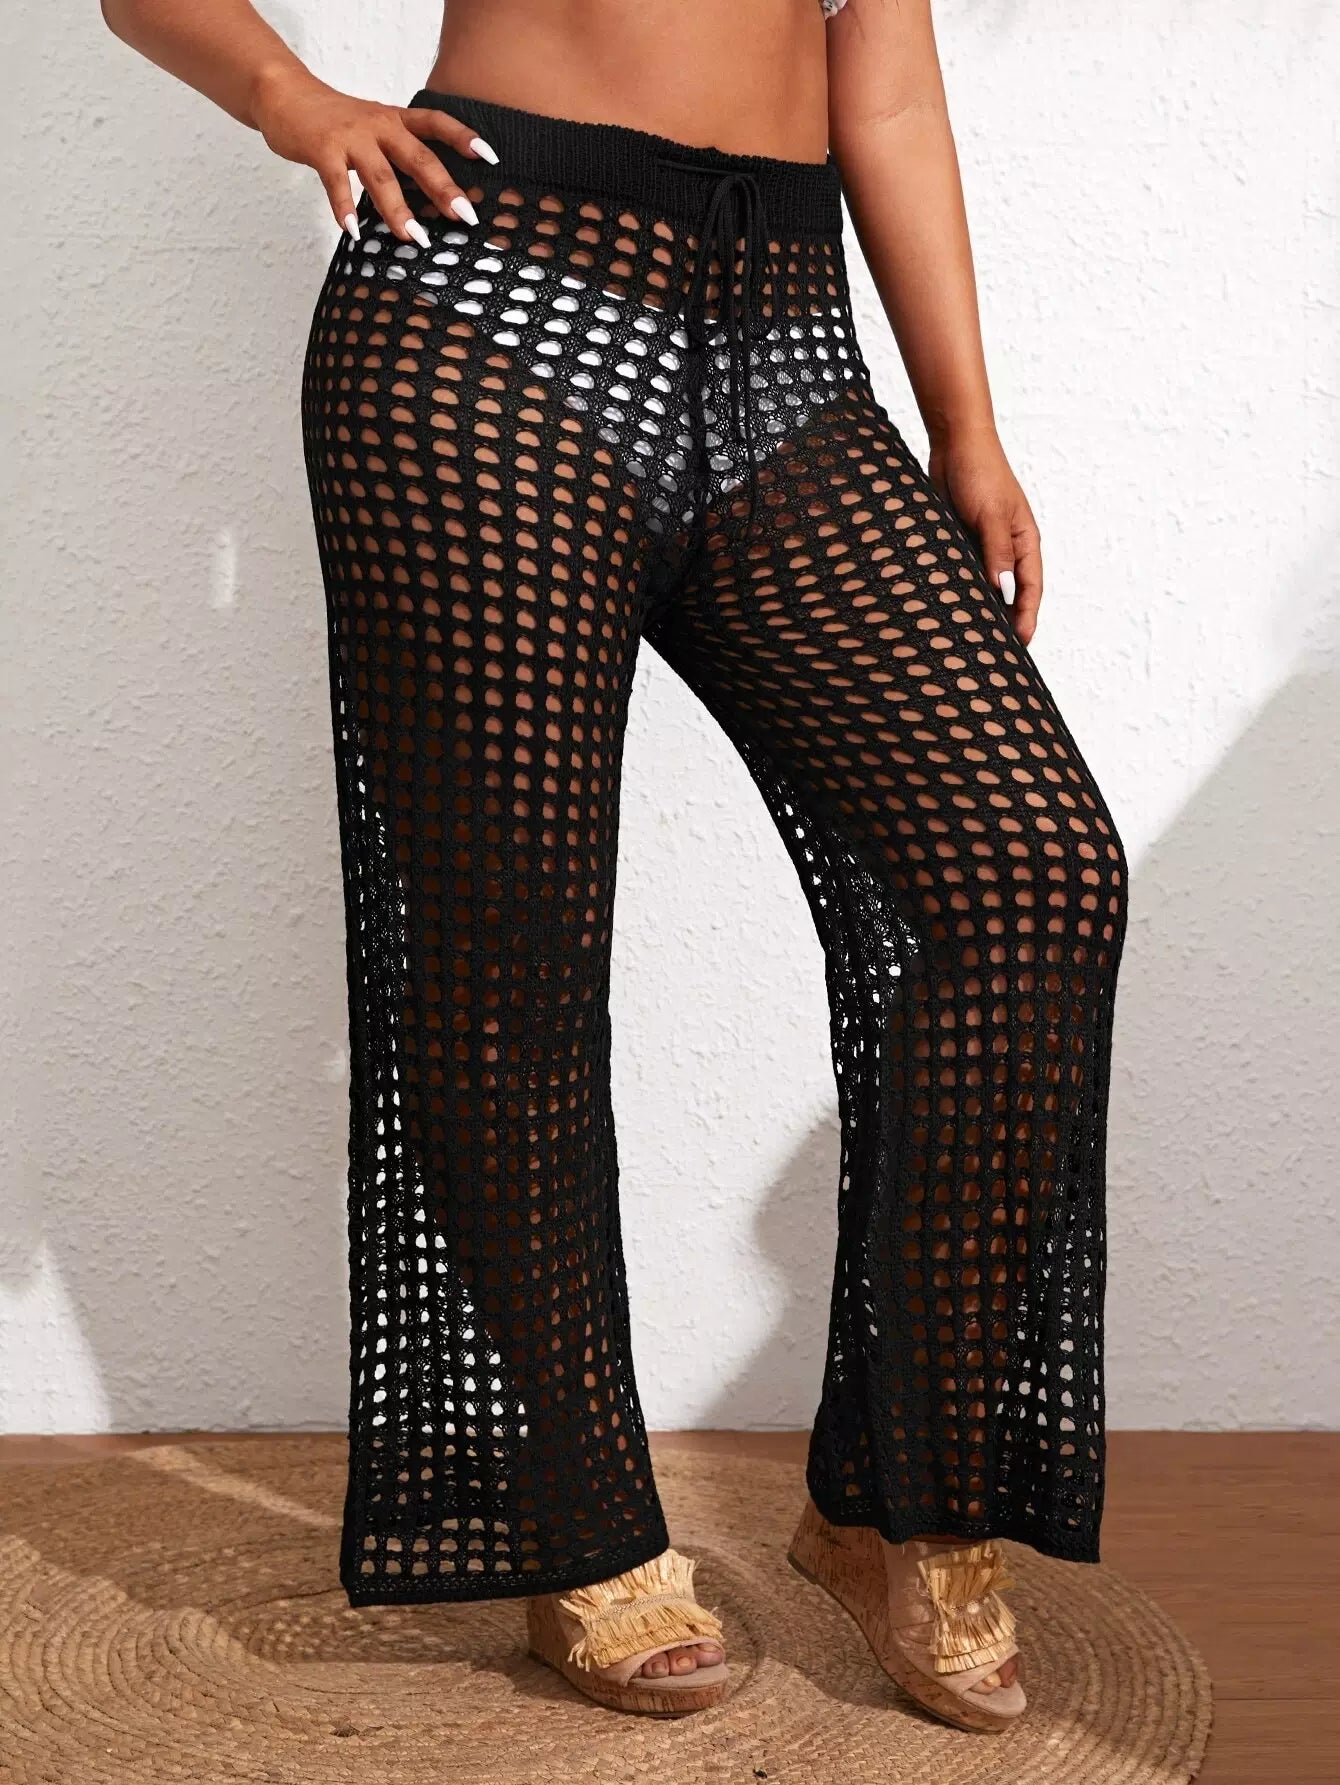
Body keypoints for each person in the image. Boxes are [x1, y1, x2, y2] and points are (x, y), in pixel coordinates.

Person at [101, 0, 1128, 1732]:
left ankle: (904, 1490)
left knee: (1031, 871)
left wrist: (964, 422)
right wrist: (291, 99)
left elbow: (885, 86)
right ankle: (580, 1522)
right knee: (506, 954)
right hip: (495, 316)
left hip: (789, 344)